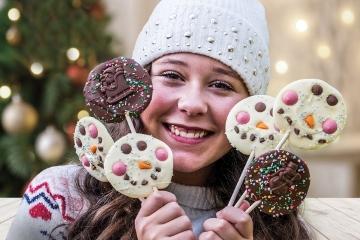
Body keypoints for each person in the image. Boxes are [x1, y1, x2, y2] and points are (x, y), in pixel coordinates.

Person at [7, 0, 313, 239]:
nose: (192, 104)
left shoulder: (271, 218)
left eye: (221, 84)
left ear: (250, 109)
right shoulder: (56, 200)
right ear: (135, 87)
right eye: (171, 75)